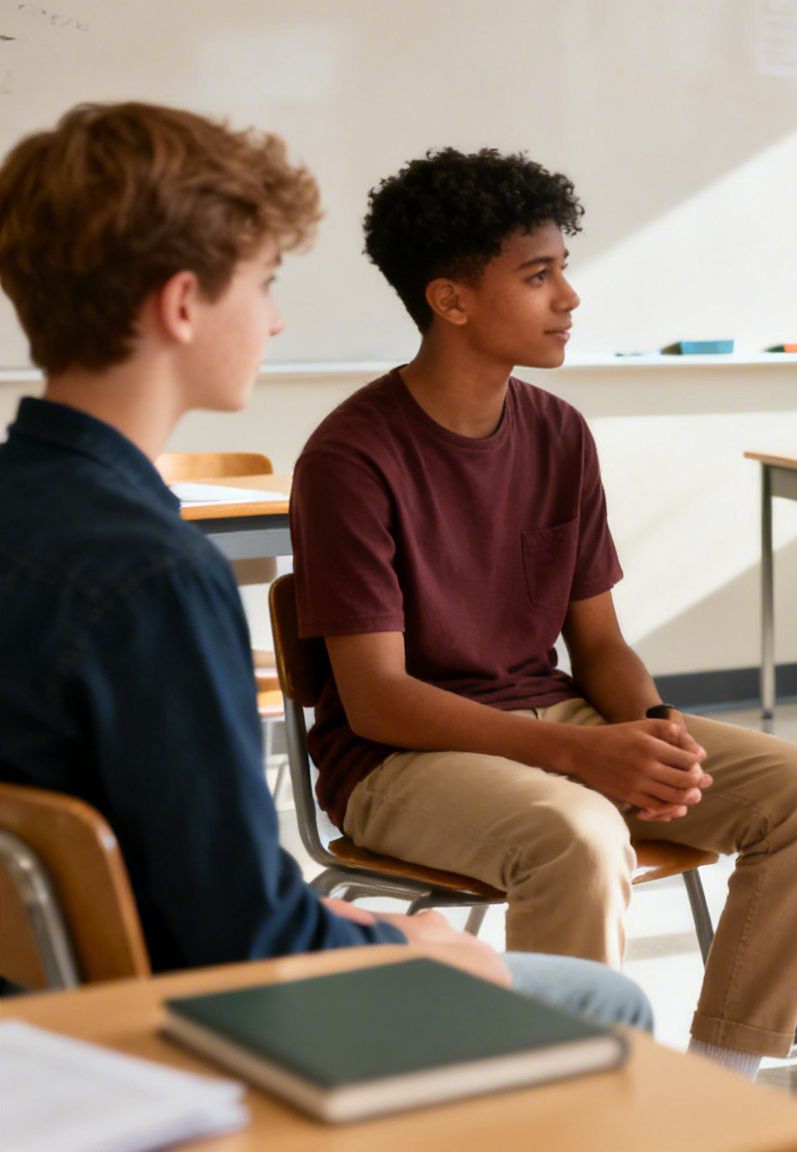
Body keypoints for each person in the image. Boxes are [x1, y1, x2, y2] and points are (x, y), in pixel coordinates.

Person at [0, 102, 648, 1028]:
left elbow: (200, 881)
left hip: (43, 1013)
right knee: (606, 1002)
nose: (272, 322)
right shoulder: (159, 576)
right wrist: (402, 942)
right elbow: (242, 943)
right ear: (184, 305)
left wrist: (328, 913)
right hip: (179, 1025)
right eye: (261, 285)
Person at [287, 147, 797, 1080]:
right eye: (539, 274)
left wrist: (652, 731)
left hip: (554, 723)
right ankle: (572, 1113)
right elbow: (379, 701)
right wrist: (582, 754)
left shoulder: (559, 433)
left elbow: (597, 641)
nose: (570, 298)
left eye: (564, 269)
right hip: (400, 760)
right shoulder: (350, 457)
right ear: (452, 299)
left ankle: (718, 1083)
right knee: (579, 835)